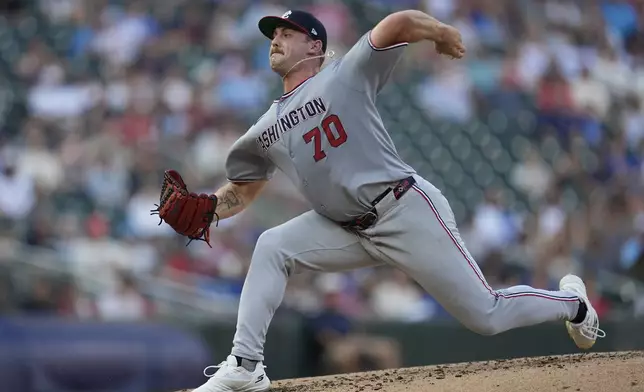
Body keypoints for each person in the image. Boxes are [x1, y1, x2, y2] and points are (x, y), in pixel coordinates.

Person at [160, 9, 605, 392]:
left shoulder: (344, 74)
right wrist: (210, 209)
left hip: (403, 208)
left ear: (315, 45)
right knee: (272, 246)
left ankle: (573, 304)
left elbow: (398, 23)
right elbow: (243, 188)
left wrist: (441, 33)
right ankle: (245, 366)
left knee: (485, 315)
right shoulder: (264, 128)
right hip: (344, 227)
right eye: (273, 35)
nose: (275, 40)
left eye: (286, 33)